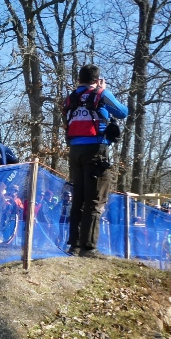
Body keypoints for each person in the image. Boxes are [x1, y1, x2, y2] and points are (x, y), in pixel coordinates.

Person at [63, 64, 128, 258]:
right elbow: (123, 112)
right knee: (95, 199)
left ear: (79, 79)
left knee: (79, 198)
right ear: (96, 79)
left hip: (75, 150)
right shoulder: (100, 94)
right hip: (96, 150)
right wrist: (104, 89)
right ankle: (88, 248)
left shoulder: (71, 98)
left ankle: (74, 246)